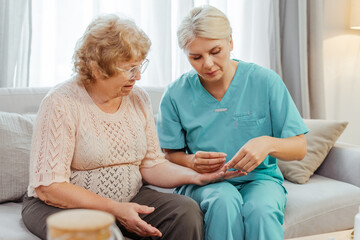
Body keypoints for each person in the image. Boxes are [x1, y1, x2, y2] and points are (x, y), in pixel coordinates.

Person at [21, 14, 244, 240]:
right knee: (98, 232)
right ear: (99, 69)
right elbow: (49, 187)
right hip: (60, 206)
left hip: (129, 198)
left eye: (139, 66)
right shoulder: (61, 102)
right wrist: (114, 209)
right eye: (129, 69)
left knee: (185, 212)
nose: (137, 76)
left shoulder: (138, 98)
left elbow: (152, 165)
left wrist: (196, 176)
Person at [156, 5, 309, 240]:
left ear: (230, 42)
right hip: (205, 183)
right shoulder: (175, 94)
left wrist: (267, 143)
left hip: (260, 180)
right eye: (196, 57)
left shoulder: (265, 82)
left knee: (261, 210)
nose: (207, 64)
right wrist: (190, 160)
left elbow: (299, 148)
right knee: (223, 203)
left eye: (215, 51)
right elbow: (170, 154)